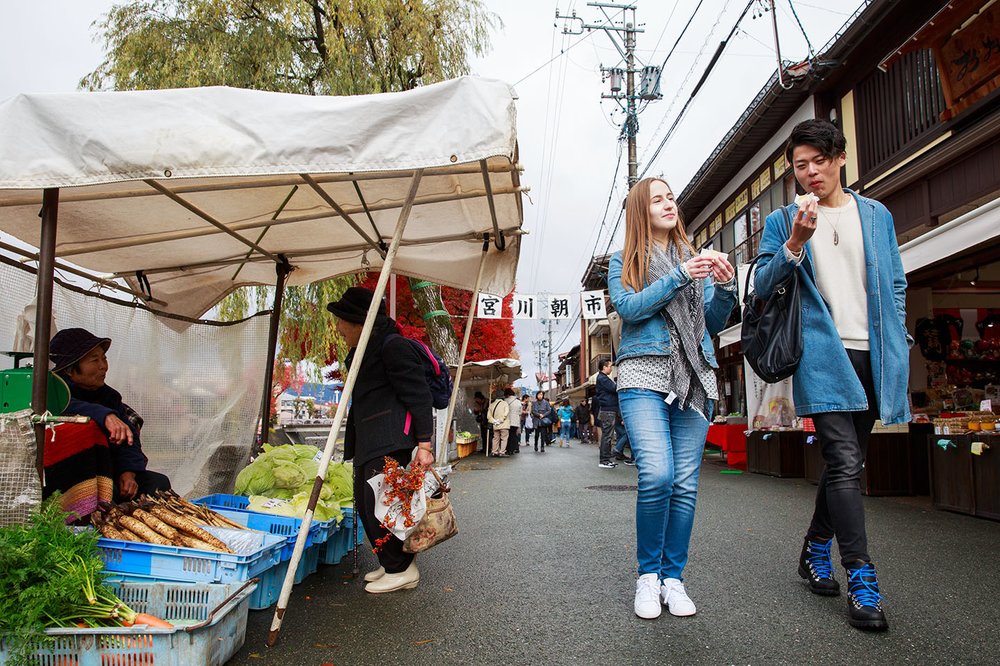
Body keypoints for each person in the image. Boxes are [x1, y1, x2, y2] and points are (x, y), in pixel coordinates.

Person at [752, 119, 910, 631]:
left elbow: (895, 281)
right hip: (822, 353)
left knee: (850, 462)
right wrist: (795, 243)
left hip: (874, 353)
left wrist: (899, 336)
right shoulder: (783, 219)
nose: (811, 172)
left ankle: (814, 547)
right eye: (801, 165)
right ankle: (862, 579)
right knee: (843, 460)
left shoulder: (876, 214)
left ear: (840, 158)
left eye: (820, 160)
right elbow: (760, 284)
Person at [607, 177, 737, 620]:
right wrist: (682, 276)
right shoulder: (623, 260)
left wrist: (724, 287)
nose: (669, 204)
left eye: (671, 196)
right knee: (658, 474)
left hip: (695, 377)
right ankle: (647, 577)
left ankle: (672, 578)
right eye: (657, 198)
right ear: (641, 211)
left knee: (684, 486)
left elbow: (711, 324)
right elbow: (629, 308)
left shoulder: (693, 257)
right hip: (644, 372)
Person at [328, 286, 435, 594]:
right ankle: (392, 563)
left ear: (358, 321)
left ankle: (402, 569)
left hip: (390, 439)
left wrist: (424, 445)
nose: (337, 327)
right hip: (368, 438)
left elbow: (419, 395)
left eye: (340, 321)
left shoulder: (392, 346)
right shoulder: (366, 349)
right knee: (367, 505)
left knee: (382, 506)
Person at [49, 328, 172, 503]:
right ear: (69, 370)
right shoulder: (53, 393)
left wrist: (128, 473)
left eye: (104, 358)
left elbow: (129, 439)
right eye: (94, 360)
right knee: (109, 493)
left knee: (158, 483)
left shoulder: (109, 397)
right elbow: (66, 406)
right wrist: (105, 416)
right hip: (72, 479)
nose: (103, 366)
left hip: (110, 472)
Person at [594, 359, 624, 468]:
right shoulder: (603, 378)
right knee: (607, 436)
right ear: (604, 367)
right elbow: (615, 388)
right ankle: (604, 460)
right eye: (610, 366)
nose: (611, 368)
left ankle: (606, 459)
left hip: (607, 410)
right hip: (608, 410)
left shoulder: (602, 378)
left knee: (607, 436)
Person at [488, 389, 511, 457]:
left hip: (495, 425)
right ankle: (502, 452)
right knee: (504, 438)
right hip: (504, 424)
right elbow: (506, 413)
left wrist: (494, 421)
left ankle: (494, 451)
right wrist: (501, 419)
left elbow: (488, 416)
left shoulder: (491, 405)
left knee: (495, 438)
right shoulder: (505, 403)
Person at [472, 391, 490, 456]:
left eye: (477, 399)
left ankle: (488, 448)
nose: (476, 401)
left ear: (479, 398)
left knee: (487, 435)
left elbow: (487, 411)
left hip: (487, 421)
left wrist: (480, 410)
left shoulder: (487, 402)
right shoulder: (480, 403)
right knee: (483, 435)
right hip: (482, 421)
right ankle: (484, 448)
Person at [505, 388, 522, 454]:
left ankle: (509, 449)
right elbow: (520, 412)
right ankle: (514, 448)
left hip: (508, 420)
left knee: (508, 435)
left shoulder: (505, 401)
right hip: (516, 421)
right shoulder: (518, 401)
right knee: (514, 435)